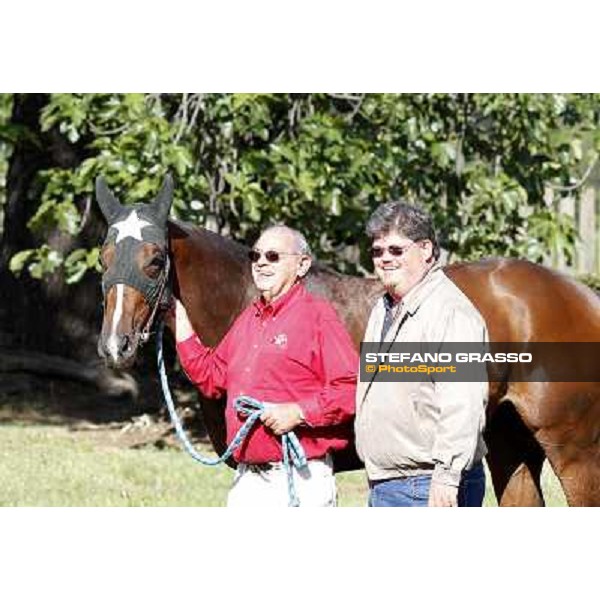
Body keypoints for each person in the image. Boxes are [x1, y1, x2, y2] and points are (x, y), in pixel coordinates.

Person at [168, 225, 358, 507]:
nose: (261, 263)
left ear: (302, 264)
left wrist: (299, 412)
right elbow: (211, 377)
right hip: (247, 478)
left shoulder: (318, 317)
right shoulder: (249, 319)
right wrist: (179, 320)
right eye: (255, 256)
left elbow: (352, 389)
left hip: (299, 475)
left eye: (273, 256)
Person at [355, 201, 488, 507]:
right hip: (392, 484)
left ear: (426, 250)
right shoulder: (383, 308)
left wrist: (447, 476)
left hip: (428, 485)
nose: (385, 258)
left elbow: (462, 402)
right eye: (377, 251)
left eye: (396, 250)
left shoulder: (450, 313)